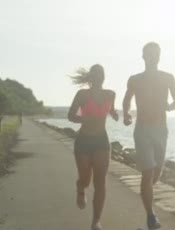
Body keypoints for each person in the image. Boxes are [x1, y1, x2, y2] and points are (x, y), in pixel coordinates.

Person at [123, 42, 175, 230]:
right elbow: (127, 99)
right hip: (142, 129)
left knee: (156, 173)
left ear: (159, 56)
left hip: (160, 129)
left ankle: (146, 196)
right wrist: (125, 114)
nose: (152, 57)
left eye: (156, 54)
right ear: (143, 56)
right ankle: (151, 216)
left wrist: (169, 107)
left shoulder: (168, 78)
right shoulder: (135, 79)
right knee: (147, 173)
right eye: (149, 54)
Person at [67, 64, 119, 230]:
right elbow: (70, 115)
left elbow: (111, 110)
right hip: (83, 140)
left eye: (101, 74)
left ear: (104, 77)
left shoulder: (110, 94)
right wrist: (84, 120)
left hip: (101, 141)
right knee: (85, 179)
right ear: (90, 78)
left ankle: (96, 221)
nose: (98, 77)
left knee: (100, 182)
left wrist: (115, 114)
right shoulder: (82, 94)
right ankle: (80, 187)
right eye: (95, 75)